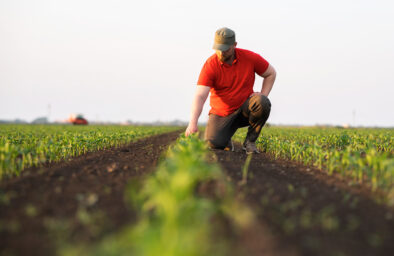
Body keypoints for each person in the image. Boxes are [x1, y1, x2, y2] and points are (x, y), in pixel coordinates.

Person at [185, 27, 276, 154]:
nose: (221, 53)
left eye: (225, 49)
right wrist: (192, 123)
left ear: (234, 45)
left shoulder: (249, 58)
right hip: (221, 114)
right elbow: (200, 96)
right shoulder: (211, 65)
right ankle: (224, 139)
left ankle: (250, 142)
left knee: (262, 102)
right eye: (218, 49)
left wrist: (263, 94)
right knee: (214, 144)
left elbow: (271, 73)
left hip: (244, 110)